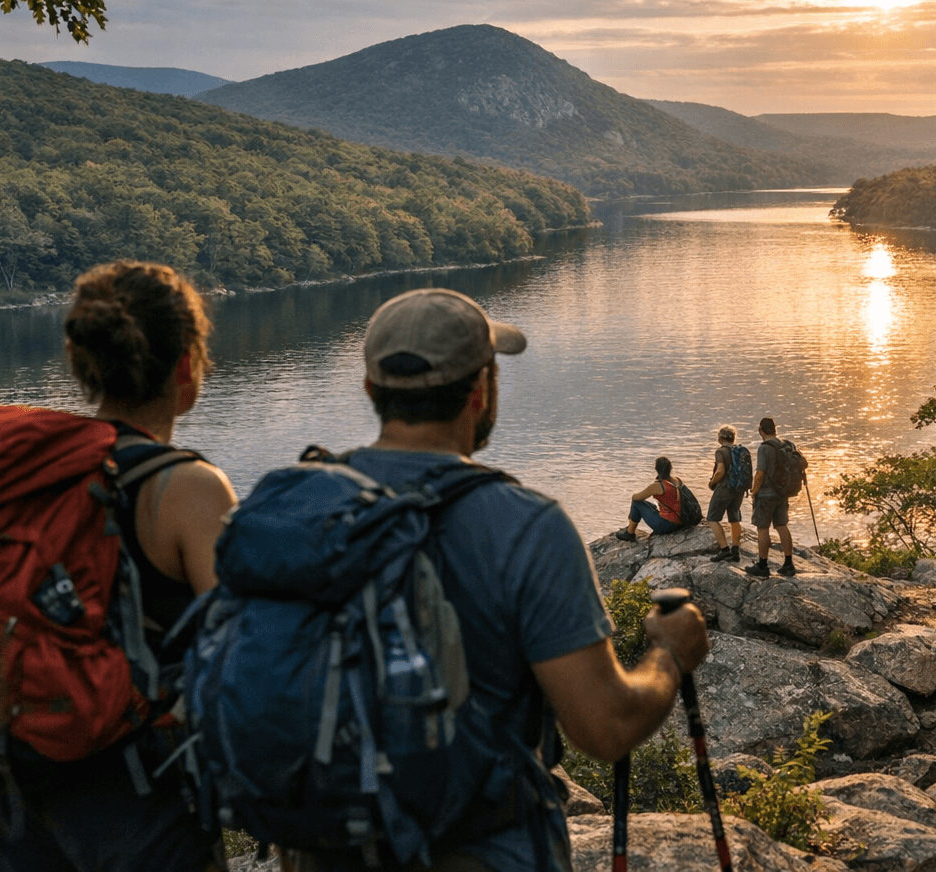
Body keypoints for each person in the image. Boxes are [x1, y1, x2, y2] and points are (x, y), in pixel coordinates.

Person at [283, 287, 708, 872]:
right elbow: (606, 728)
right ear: (481, 391)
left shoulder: (297, 505)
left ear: (371, 389)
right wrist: (669, 655)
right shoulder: (527, 525)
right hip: (483, 848)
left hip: (325, 846)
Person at [0, 261, 237, 872]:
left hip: (22, 791)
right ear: (186, 366)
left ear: (85, 367)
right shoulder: (189, 487)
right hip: (139, 798)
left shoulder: (27, 472)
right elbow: (242, 652)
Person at [746, 416, 796, 578]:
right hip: (782, 493)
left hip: (766, 495)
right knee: (782, 526)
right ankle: (789, 564)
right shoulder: (785, 445)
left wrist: (754, 491)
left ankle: (762, 565)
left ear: (760, 430)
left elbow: (760, 473)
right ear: (774, 429)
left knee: (762, 528)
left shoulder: (764, 448)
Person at [614, 456, 683, 541]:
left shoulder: (658, 486)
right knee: (647, 504)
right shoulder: (677, 481)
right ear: (670, 468)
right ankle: (630, 528)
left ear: (657, 469)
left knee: (637, 503)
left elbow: (636, 497)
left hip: (666, 525)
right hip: (680, 522)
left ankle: (630, 533)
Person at [705, 425, 746, 562]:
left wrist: (712, 483)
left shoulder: (721, 451)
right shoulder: (740, 451)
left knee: (712, 518)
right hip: (739, 489)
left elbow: (720, 471)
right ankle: (735, 551)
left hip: (725, 489)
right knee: (734, 518)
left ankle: (724, 550)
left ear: (720, 438)